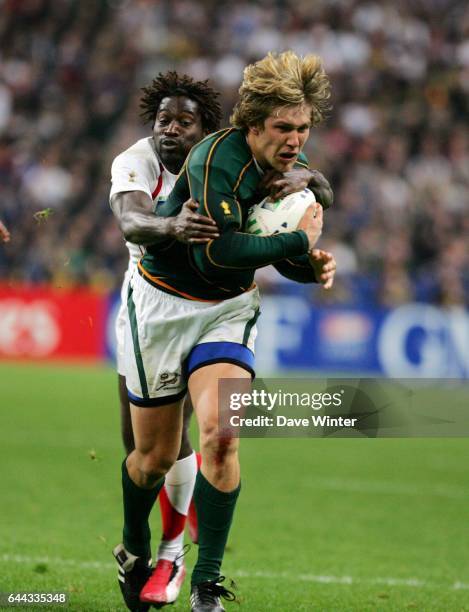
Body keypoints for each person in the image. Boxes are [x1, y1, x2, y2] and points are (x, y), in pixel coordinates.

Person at [117, 51, 336, 612]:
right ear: (253, 124)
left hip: (228, 309)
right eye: (284, 128)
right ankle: (136, 545)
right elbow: (220, 253)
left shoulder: (290, 162)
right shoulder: (214, 158)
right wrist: (298, 245)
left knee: (221, 435)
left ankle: (207, 586)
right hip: (162, 305)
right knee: (153, 459)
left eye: (304, 129)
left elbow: (262, 254)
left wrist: (307, 267)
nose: (295, 140)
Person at [110, 72, 222, 609]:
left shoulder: (221, 160)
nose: (170, 130)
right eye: (163, 120)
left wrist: (308, 176)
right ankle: (143, 539)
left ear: (204, 130)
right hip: (147, 308)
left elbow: (279, 160)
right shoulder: (135, 161)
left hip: (208, 310)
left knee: (176, 437)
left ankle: (167, 550)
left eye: (183, 121)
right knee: (142, 452)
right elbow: (132, 220)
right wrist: (174, 227)